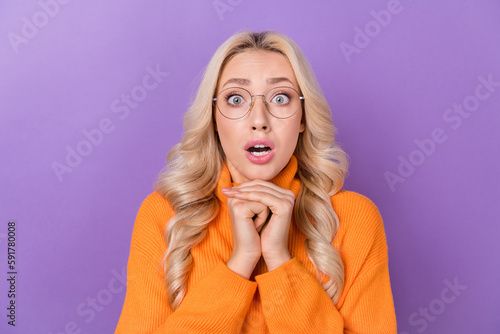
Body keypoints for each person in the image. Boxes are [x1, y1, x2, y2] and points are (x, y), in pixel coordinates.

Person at [115, 31, 397, 333]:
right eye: (236, 99)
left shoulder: (354, 219)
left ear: (302, 117)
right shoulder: (166, 216)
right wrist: (241, 261)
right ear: (213, 118)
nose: (259, 119)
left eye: (280, 98)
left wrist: (279, 258)